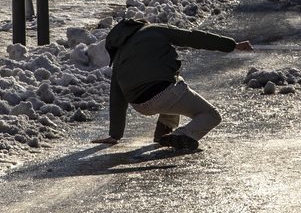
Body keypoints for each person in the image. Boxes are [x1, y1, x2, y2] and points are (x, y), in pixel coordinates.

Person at [92, 19, 253, 151]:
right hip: (165, 93)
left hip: (140, 104)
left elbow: (117, 99)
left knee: (174, 86)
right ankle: (181, 135)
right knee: (211, 115)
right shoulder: (153, 29)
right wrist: (232, 45)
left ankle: (163, 131)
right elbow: (193, 37)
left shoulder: (120, 55)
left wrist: (115, 135)